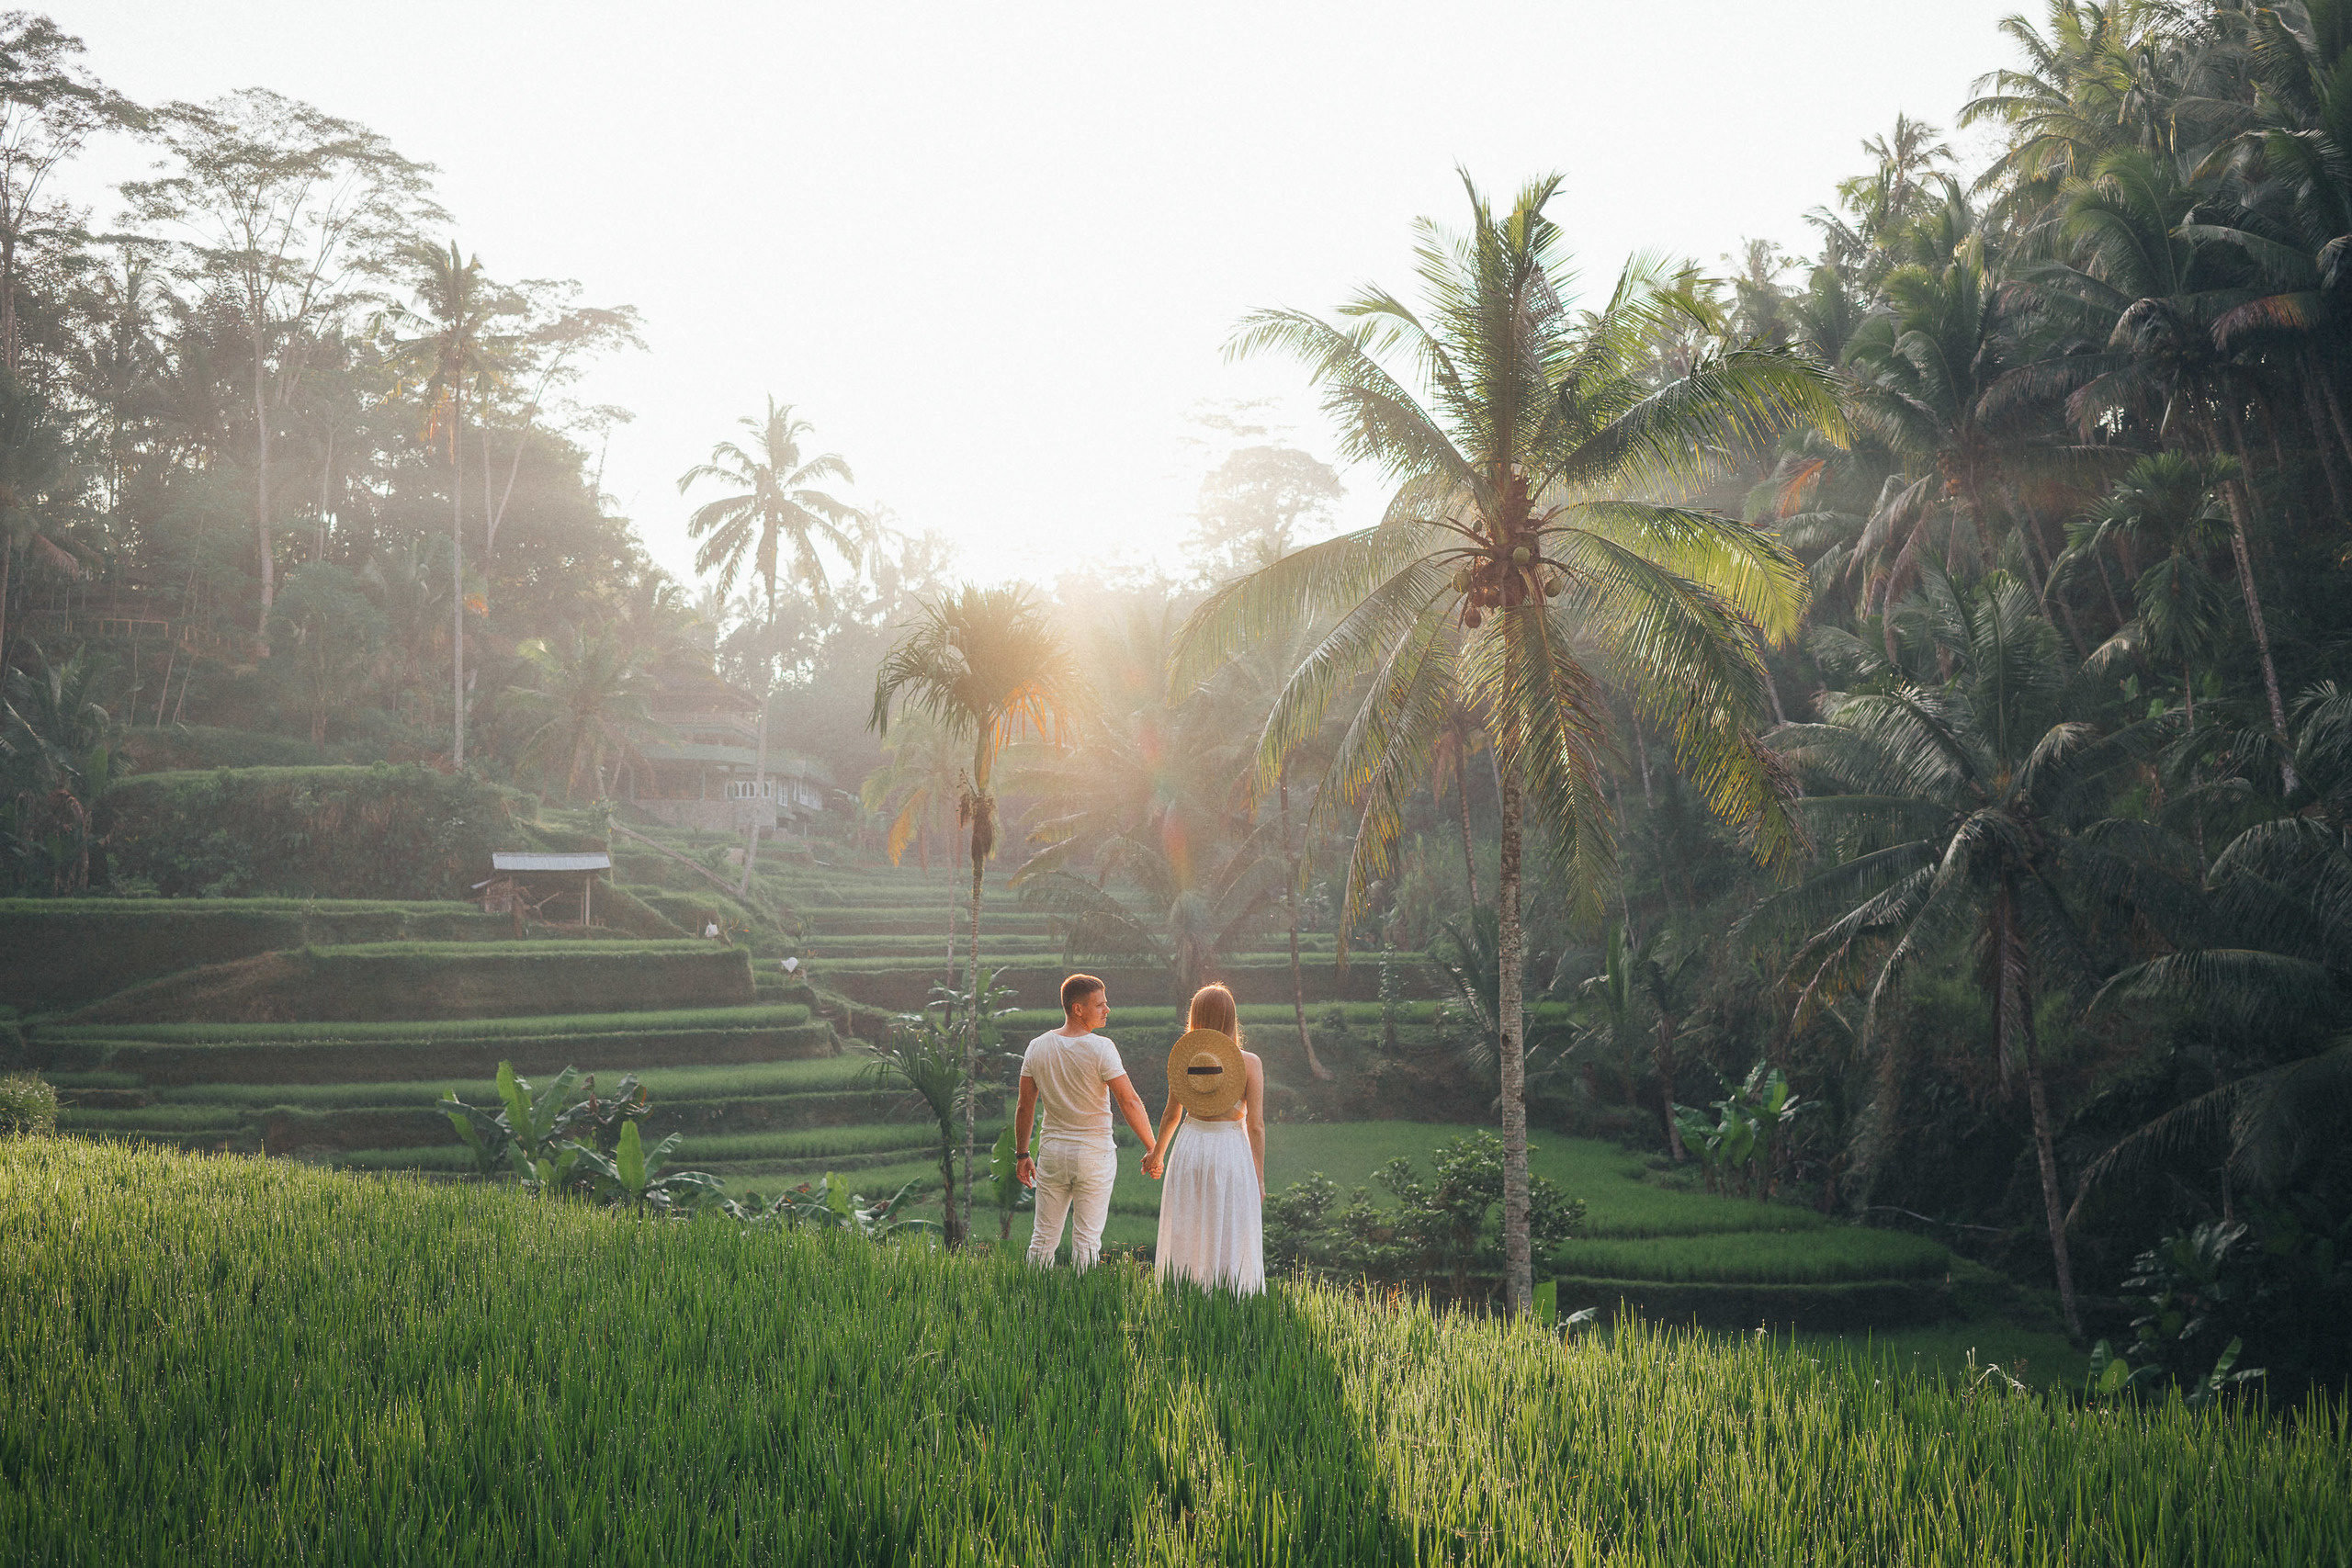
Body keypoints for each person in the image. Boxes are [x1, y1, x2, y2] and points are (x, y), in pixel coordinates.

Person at [1014, 974, 1157, 1272]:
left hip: (1053, 1154)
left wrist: (1023, 1154)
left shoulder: (1037, 1047)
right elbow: (1129, 1100)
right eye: (1100, 1005)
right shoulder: (1101, 1048)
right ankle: (1084, 1299)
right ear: (1078, 1009)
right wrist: (1152, 1148)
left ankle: (1030, 1296)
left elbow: (1025, 1106)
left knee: (1042, 1239)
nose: (1107, 1010)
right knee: (1087, 1242)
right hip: (1094, 1155)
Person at [1142, 983, 1265, 1294]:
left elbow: (1171, 1114)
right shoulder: (1250, 1063)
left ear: (1195, 1017)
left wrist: (1157, 1154)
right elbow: (1256, 1125)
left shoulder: (1185, 1059)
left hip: (1191, 1146)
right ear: (1231, 1017)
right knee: (1230, 1225)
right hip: (1230, 1149)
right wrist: (1259, 1177)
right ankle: (1230, 1297)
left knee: (1187, 1224)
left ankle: (1184, 1295)